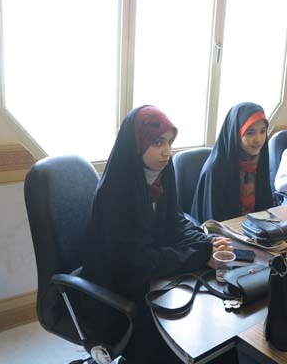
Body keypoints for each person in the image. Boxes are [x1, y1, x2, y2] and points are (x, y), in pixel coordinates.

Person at [81, 106, 232, 363]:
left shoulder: (162, 173)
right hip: (119, 294)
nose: (167, 151)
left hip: (151, 278)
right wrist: (199, 254)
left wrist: (206, 242)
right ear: (137, 144)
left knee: (217, 320)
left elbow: (175, 220)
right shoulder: (115, 193)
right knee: (189, 340)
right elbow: (138, 263)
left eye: (170, 142)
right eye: (157, 142)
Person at [191, 102, 273, 223]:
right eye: (250, 133)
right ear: (235, 133)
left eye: (263, 131)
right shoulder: (215, 170)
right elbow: (214, 223)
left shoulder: (260, 160)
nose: (259, 139)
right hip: (225, 232)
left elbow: (266, 207)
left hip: (256, 229)